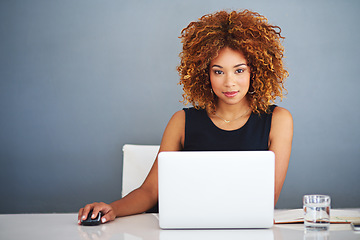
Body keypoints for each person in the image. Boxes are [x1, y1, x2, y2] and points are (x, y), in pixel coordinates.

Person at [78, 9, 293, 225]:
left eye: (239, 70)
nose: (229, 82)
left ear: (255, 71)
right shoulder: (181, 121)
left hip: (246, 229)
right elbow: (151, 191)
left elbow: (267, 199)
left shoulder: (278, 120)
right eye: (218, 71)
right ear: (204, 74)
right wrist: (112, 209)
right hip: (182, 228)